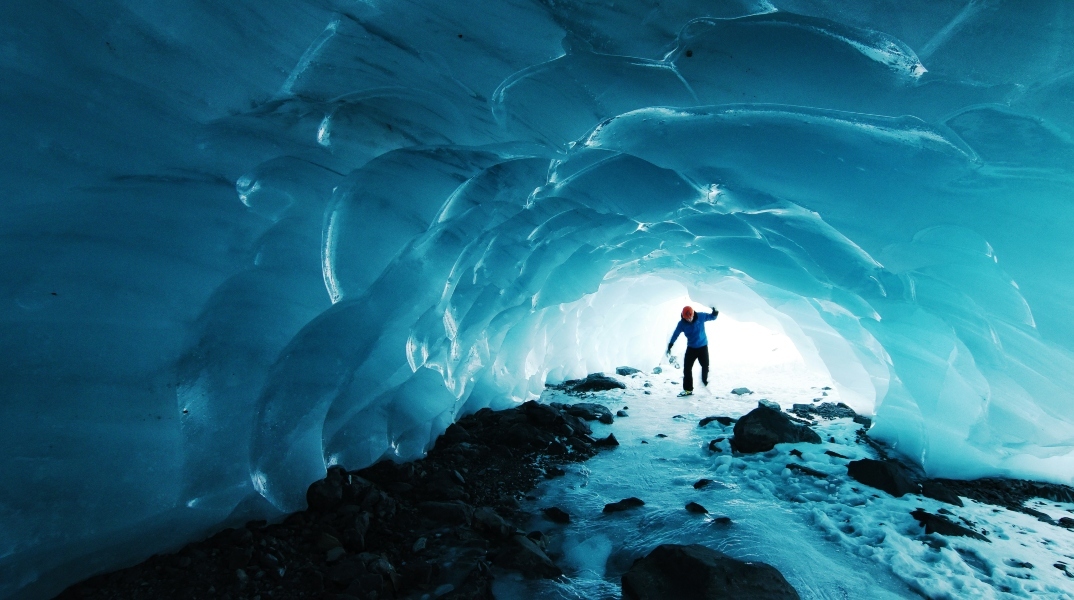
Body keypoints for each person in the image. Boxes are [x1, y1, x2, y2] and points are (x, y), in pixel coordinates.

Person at [667, 305, 718, 396]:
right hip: (691, 348)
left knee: (705, 366)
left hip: (703, 347)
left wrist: (715, 313)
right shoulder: (682, 324)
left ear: (693, 314)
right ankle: (688, 389)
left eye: (690, 317)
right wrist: (671, 344)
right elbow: (676, 334)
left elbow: (712, 317)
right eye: (687, 318)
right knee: (687, 368)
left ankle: (705, 383)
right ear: (683, 316)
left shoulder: (701, 316)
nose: (689, 320)